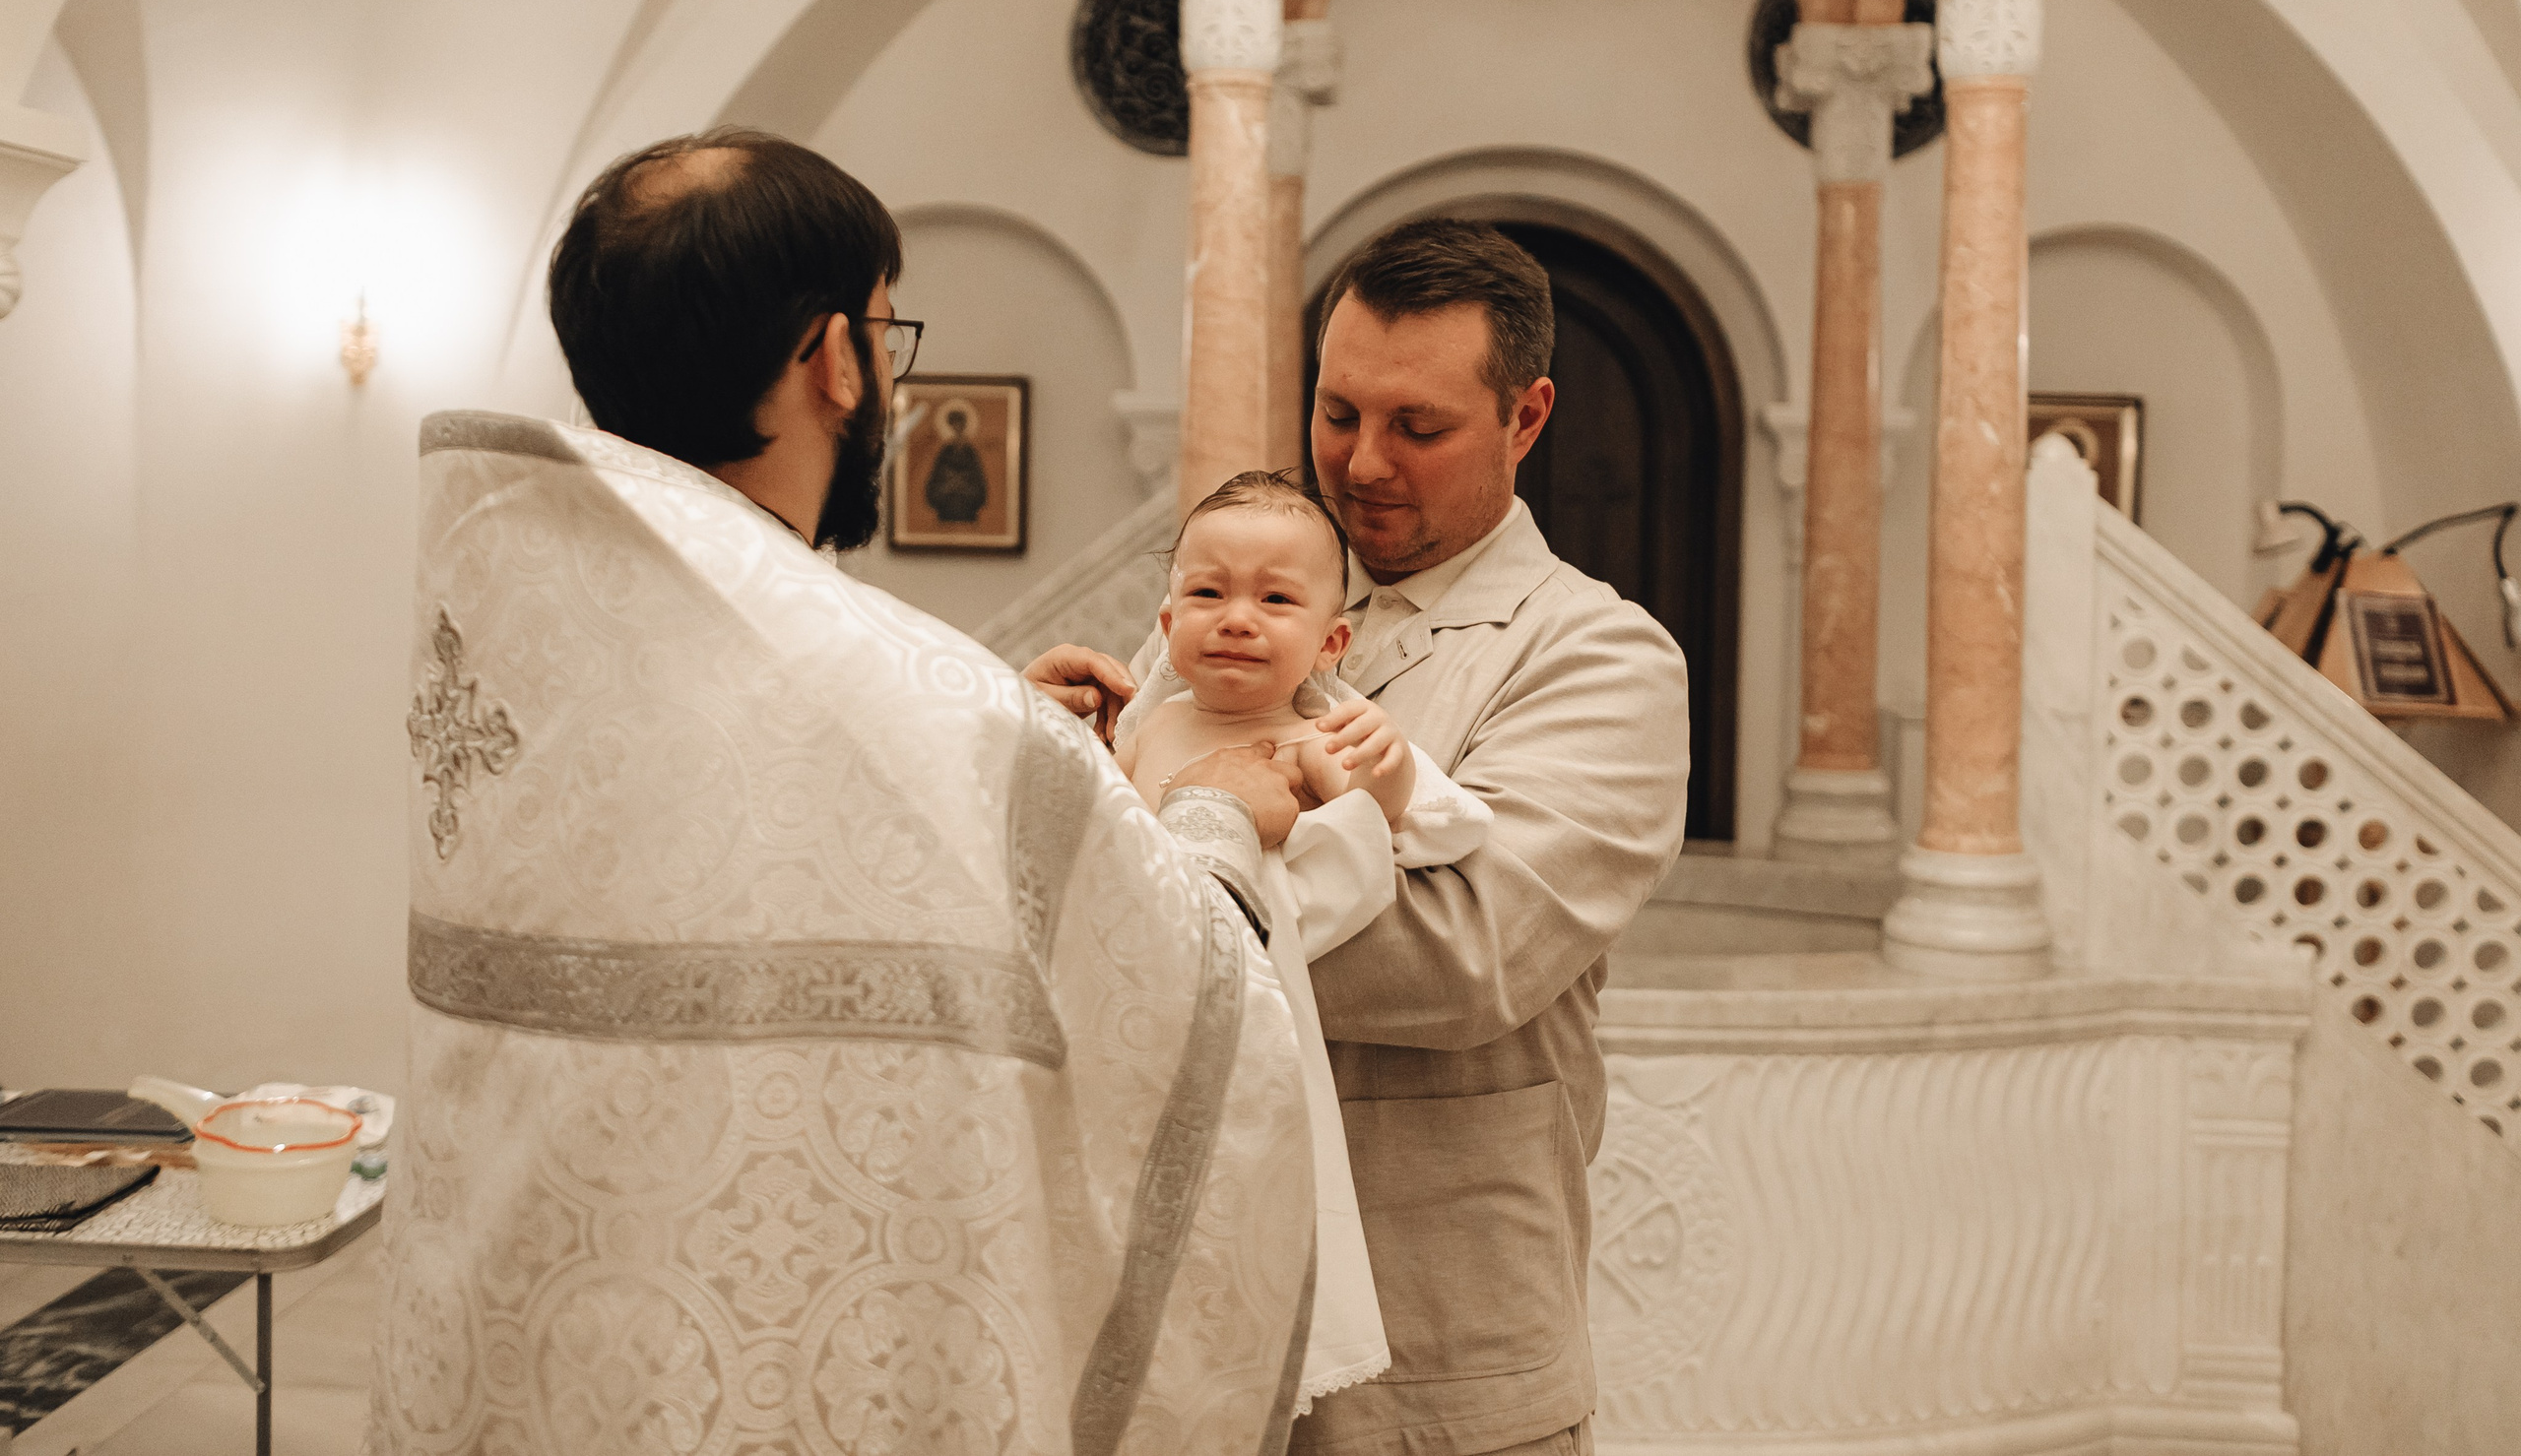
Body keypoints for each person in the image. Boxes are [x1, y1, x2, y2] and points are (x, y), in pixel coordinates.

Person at [366, 129, 1319, 1456]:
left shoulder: (526, 638)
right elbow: (1187, 1017)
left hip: (533, 1370)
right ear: (834, 357)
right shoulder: (930, 708)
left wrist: (1007, 746)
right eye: (887, 331)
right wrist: (1216, 814)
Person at [1046, 218, 1693, 1456]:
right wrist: (1052, 758)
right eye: (1337, 414)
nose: (1362, 464)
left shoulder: (1598, 657)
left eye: (1419, 427)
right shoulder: (1234, 604)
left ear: (1529, 418)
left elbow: (1465, 954)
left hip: (1435, 1348)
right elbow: (1128, 826)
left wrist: (1151, 877)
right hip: (1195, 1324)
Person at [1110, 469, 1494, 1420]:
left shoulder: (1319, 741)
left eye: (1274, 599)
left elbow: (1435, 835)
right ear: (1166, 626)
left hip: (1255, 1022)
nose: (1237, 617)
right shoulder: (1147, 726)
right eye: (1207, 593)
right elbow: (1102, 843)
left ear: (1330, 642)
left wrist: (1388, 784)